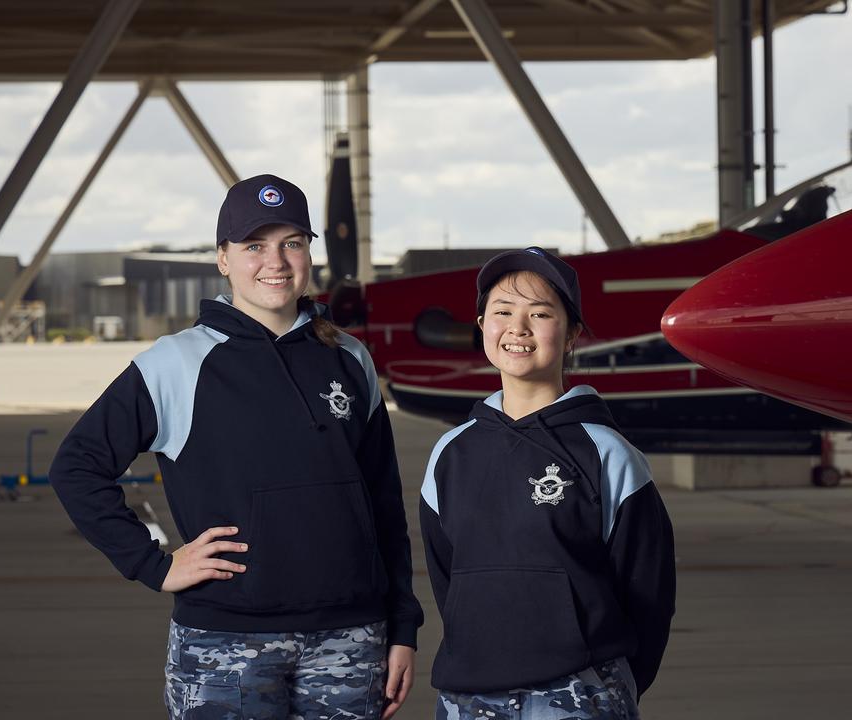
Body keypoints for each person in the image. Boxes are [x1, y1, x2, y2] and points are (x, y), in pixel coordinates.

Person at [49, 174, 421, 719]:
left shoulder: (349, 357)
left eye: (291, 242)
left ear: (308, 253)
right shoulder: (175, 363)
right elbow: (77, 466)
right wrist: (153, 565)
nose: (275, 260)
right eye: (254, 246)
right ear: (223, 258)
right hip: (224, 643)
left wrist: (402, 625)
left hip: (351, 639)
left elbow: (383, 502)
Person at [419, 247, 676, 720]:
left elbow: (649, 595)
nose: (518, 328)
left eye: (540, 313)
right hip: (467, 697)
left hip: (581, 695)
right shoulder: (450, 454)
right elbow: (449, 579)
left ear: (572, 332)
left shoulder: (607, 453)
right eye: (502, 312)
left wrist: (605, 686)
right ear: (481, 326)